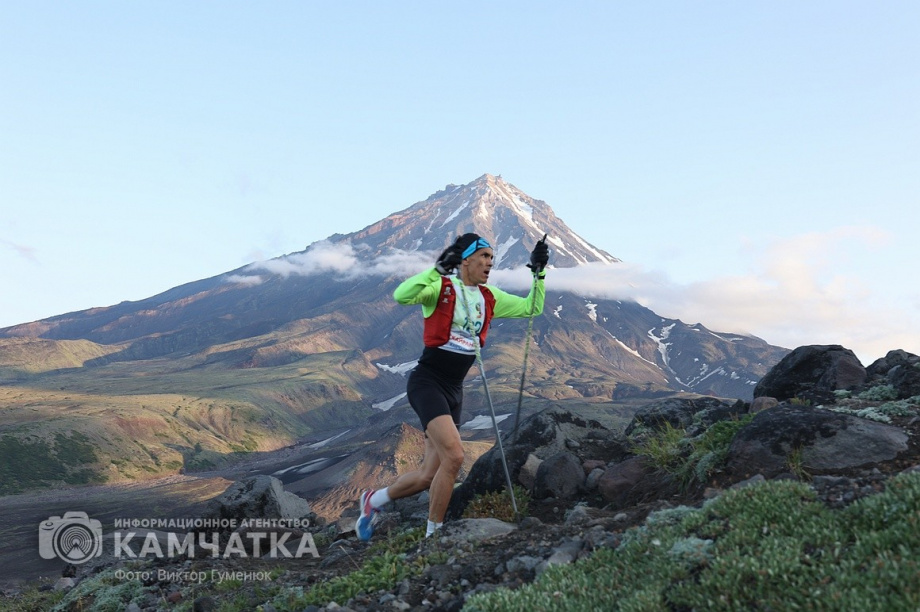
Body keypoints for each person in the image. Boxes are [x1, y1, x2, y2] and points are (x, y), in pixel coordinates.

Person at [356, 232, 549, 540]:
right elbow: (401, 295)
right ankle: (435, 537)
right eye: (484, 256)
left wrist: (538, 273)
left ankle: (372, 500)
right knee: (456, 457)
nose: (490, 262)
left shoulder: (490, 297)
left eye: (491, 257)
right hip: (427, 383)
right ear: (466, 260)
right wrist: (437, 270)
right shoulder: (441, 288)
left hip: (454, 390)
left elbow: (531, 309)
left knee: (427, 475)